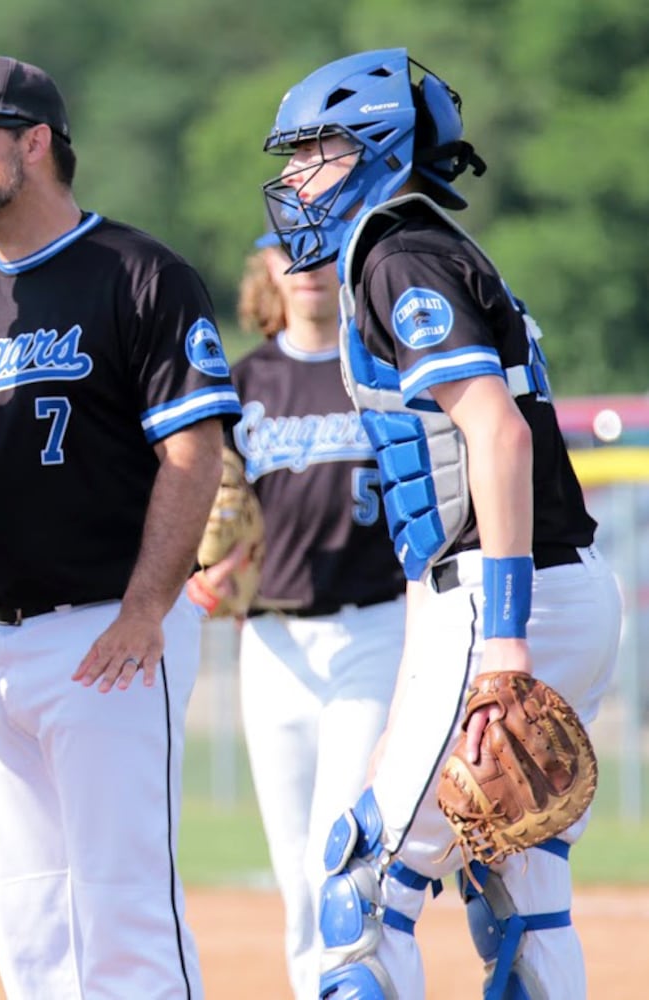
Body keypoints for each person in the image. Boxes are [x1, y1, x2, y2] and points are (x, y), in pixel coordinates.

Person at [0, 55, 242, 999]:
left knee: (124, 914)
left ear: (34, 142)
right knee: (28, 924)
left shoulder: (140, 275)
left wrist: (147, 608)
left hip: (108, 634)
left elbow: (194, 455)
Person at [259, 47, 622, 999]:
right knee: (518, 892)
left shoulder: (398, 253)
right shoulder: (426, 250)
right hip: (545, 589)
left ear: (376, 148)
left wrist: (499, 638)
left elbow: (494, 437)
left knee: (363, 891)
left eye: (313, 153)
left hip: (509, 598)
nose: (293, 179)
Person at [192, 237, 405, 998]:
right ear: (266, 274)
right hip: (271, 643)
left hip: (374, 632)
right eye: (290, 253)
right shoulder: (241, 383)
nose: (307, 270)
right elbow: (214, 517)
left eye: (322, 256)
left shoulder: (378, 374)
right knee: (296, 878)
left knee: (338, 856)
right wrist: (205, 574)